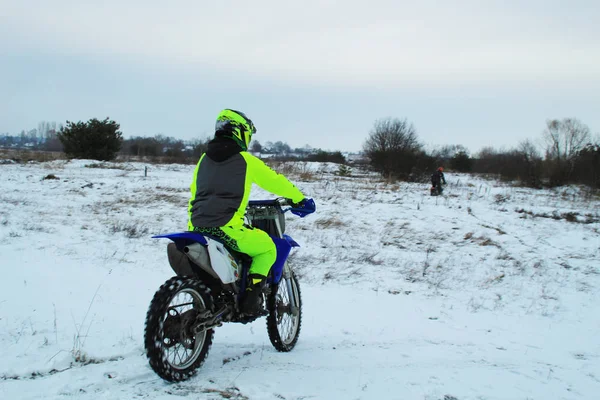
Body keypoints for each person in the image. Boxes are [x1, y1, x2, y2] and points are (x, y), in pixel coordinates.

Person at [188, 109, 312, 315]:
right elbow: (275, 181)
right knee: (268, 248)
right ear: (240, 131)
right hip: (226, 228)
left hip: (197, 228)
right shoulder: (245, 160)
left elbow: (195, 193)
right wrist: (300, 199)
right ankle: (250, 302)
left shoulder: (203, 160)